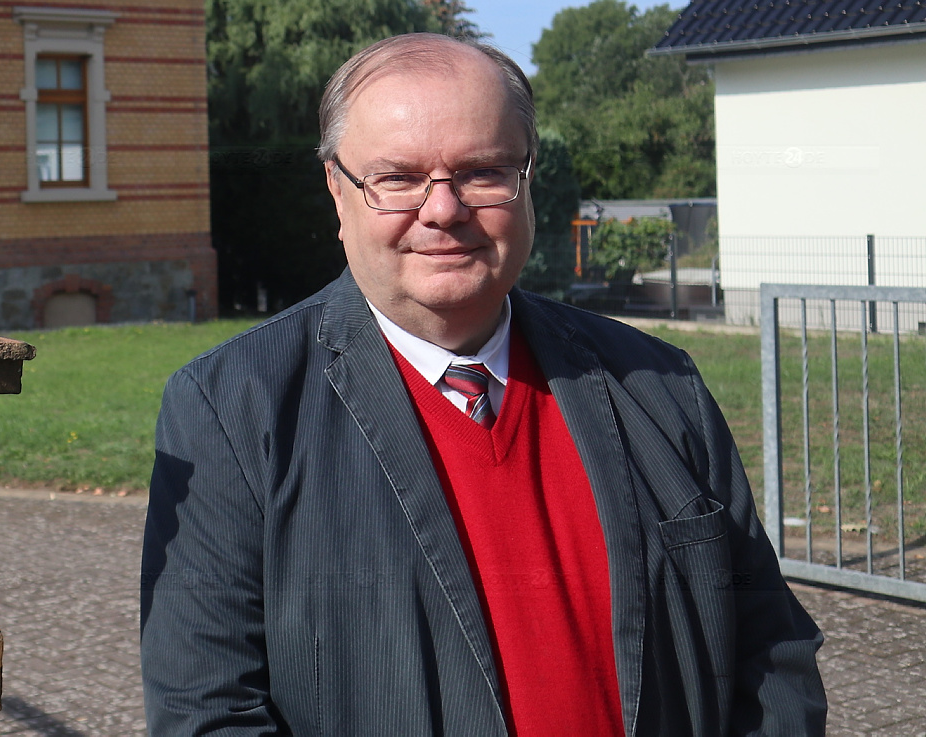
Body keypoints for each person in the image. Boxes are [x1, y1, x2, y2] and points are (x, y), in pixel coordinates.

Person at [141, 33, 826, 736]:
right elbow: (209, 711)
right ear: (337, 192)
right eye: (398, 178)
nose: (443, 209)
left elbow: (772, 656)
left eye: (482, 171)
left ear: (528, 179)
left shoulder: (659, 385)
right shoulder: (232, 408)